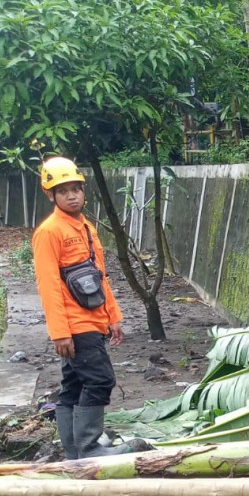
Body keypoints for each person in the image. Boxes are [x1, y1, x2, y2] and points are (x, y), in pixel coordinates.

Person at [33, 157, 147, 458]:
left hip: (94, 320)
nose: (72, 196)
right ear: (51, 194)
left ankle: (75, 454)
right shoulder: (49, 232)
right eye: (63, 191)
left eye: (76, 189)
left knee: (73, 384)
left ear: (84, 191)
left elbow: (99, 276)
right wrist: (59, 333)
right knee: (99, 380)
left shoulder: (86, 228)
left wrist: (114, 317)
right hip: (75, 325)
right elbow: (48, 285)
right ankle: (89, 448)